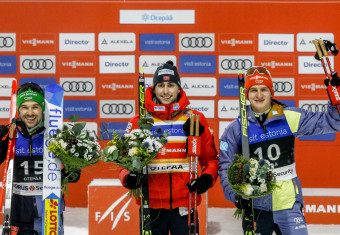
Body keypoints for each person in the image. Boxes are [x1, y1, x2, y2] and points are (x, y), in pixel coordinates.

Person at [218, 66, 340, 235]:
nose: (259, 95)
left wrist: (336, 99)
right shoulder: (236, 128)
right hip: (256, 207)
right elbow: (225, 166)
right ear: (246, 94)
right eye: (253, 90)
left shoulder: (289, 117)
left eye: (263, 89)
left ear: (271, 91)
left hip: (289, 205)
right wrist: (236, 196)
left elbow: (334, 122)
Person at [119, 61, 219, 235]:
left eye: (171, 85)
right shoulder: (139, 121)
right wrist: (128, 177)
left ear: (179, 88)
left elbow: (211, 159)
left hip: (185, 203)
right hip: (151, 204)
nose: (166, 91)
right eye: (161, 85)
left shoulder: (195, 119)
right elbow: (123, 162)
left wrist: (207, 178)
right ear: (154, 88)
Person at [0, 82, 79, 235]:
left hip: (48, 213)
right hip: (17, 214)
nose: (30, 113)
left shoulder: (56, 136)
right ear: (18, 110)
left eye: (35, 107)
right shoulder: (11, 136)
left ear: (43, 108)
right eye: (25, 107)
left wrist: (71, 170)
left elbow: (74, 176)